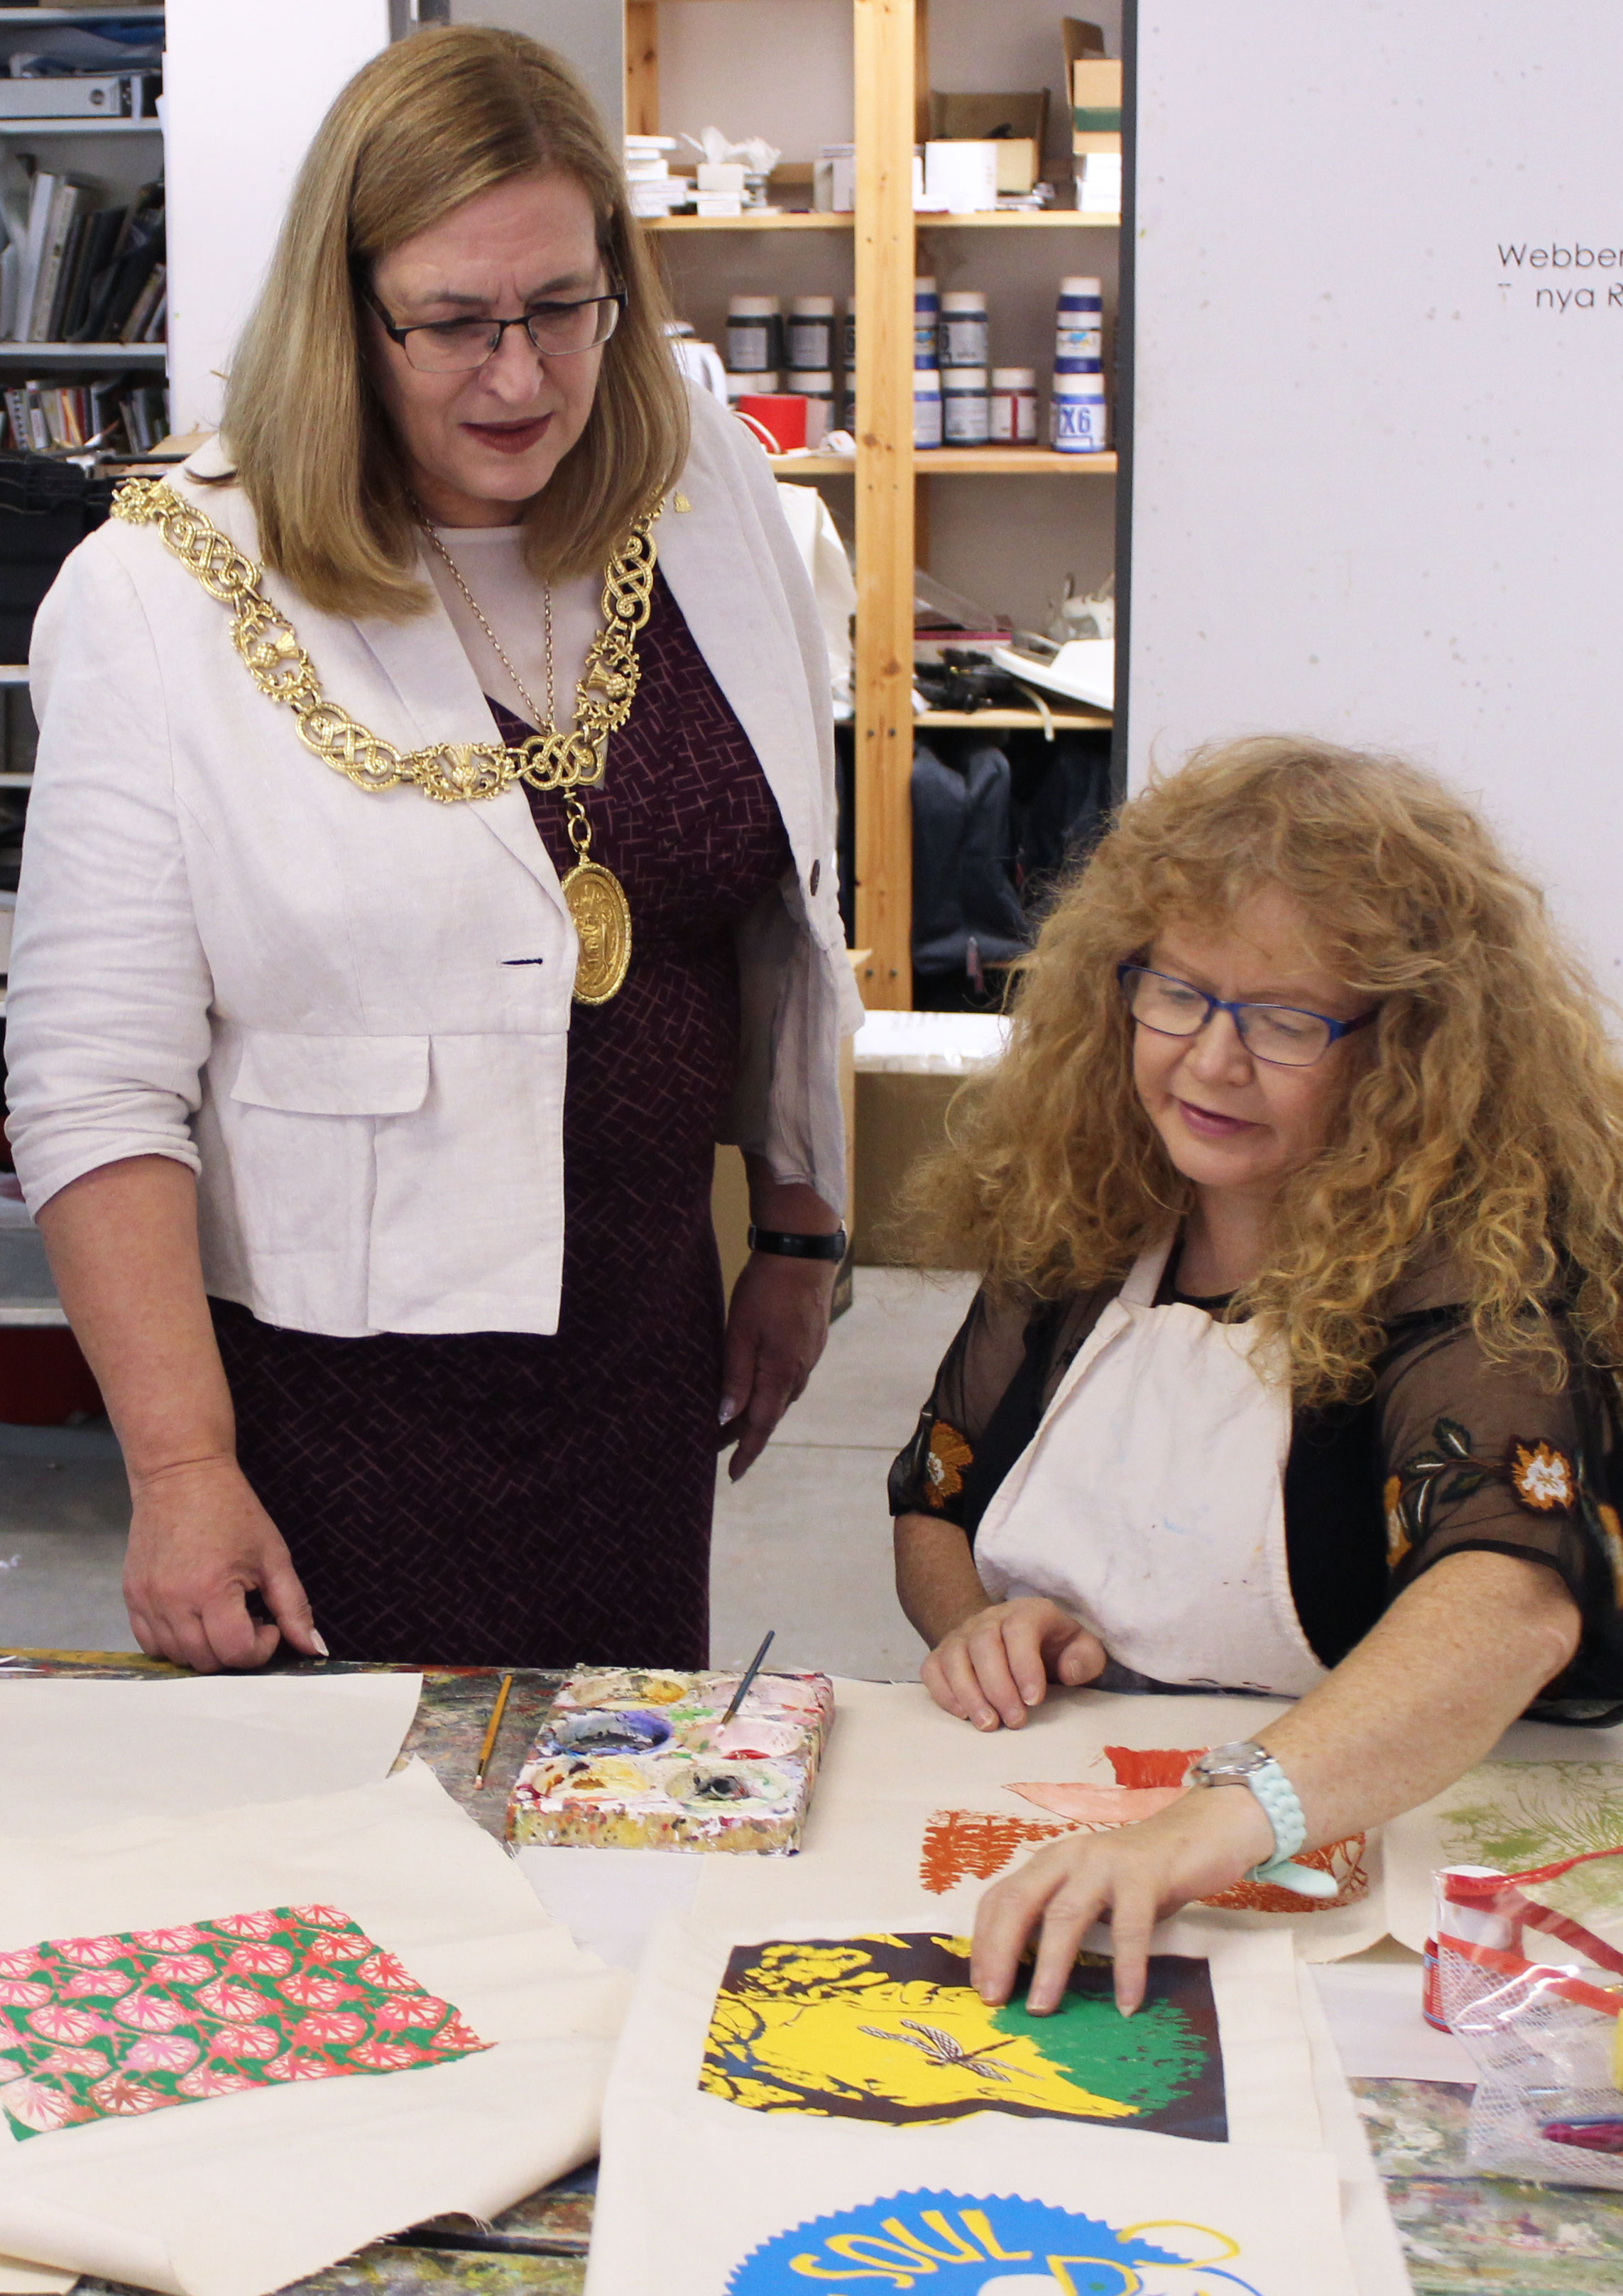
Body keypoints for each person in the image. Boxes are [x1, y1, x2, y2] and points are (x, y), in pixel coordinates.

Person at [4, 27, 860, 1674]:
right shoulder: (161, 595)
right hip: (328, 1397)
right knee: (360, 1823)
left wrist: (799, 1230)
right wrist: (179, 1471)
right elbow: (92, 1080)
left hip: (636, 1346)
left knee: (609, 1798)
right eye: (456, 323)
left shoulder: (703, 487)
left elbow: (774, 912)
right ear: (346, 313)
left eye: (564, 308)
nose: (522, 378)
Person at [889, 738, 1623, 2018]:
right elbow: (933, 1500)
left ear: (1409, 1049)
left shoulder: (1477, 1269)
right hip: (1115, 1836)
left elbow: (1510, 1602)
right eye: (1177, 994)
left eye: (1286, 1021)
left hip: (1419, 1885)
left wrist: (1208, 1823)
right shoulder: (1083, 1220)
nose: (1211, 1060)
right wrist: (981, 1627)